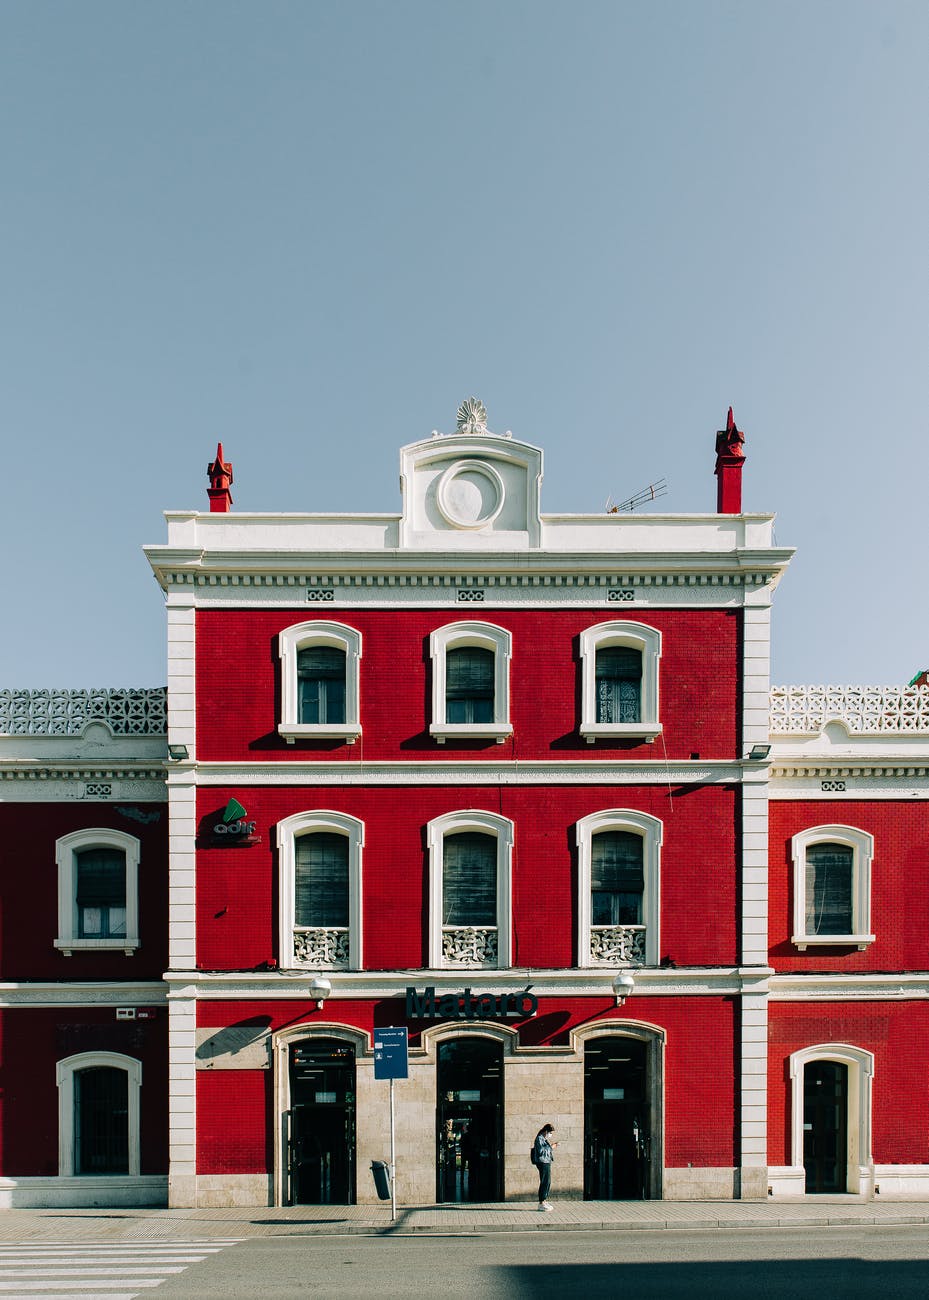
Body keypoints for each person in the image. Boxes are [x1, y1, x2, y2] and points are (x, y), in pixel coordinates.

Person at [533, 1123, 557, 1210]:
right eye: (550, 1132)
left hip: (546, 1161)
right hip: (542, 1162)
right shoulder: (539, 1138)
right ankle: (541, 1202)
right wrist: (552, 1147)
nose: (551, 1135)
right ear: (546, 1131)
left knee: (547, 1181)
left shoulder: (543, 1139)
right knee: (545, 1181)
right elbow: (541, 1151)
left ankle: (544, 1200)